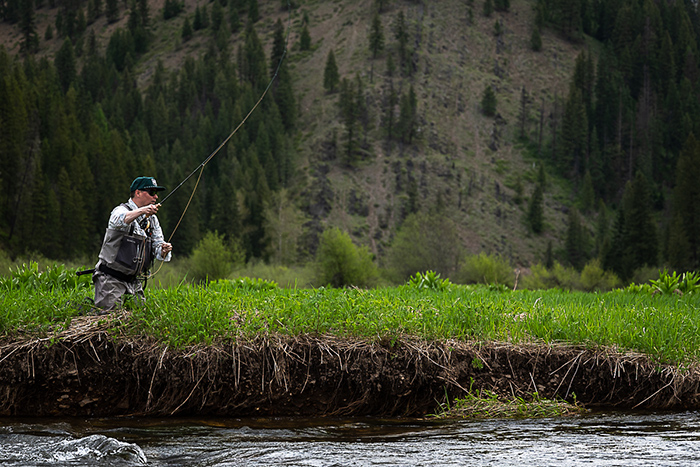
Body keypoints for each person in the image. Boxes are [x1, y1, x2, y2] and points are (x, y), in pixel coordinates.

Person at [93, 176, 173, 311]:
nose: (156, 197)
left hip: (135, 282)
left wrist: (164, 249)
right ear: (138, 193)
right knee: (108, 323)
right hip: (111, 280)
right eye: (152, 192)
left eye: (156, 193)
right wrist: (142, 211)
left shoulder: (152, 220)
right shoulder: (120, 210)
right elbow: (118, 220)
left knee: (139, 322)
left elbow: (158, 248)